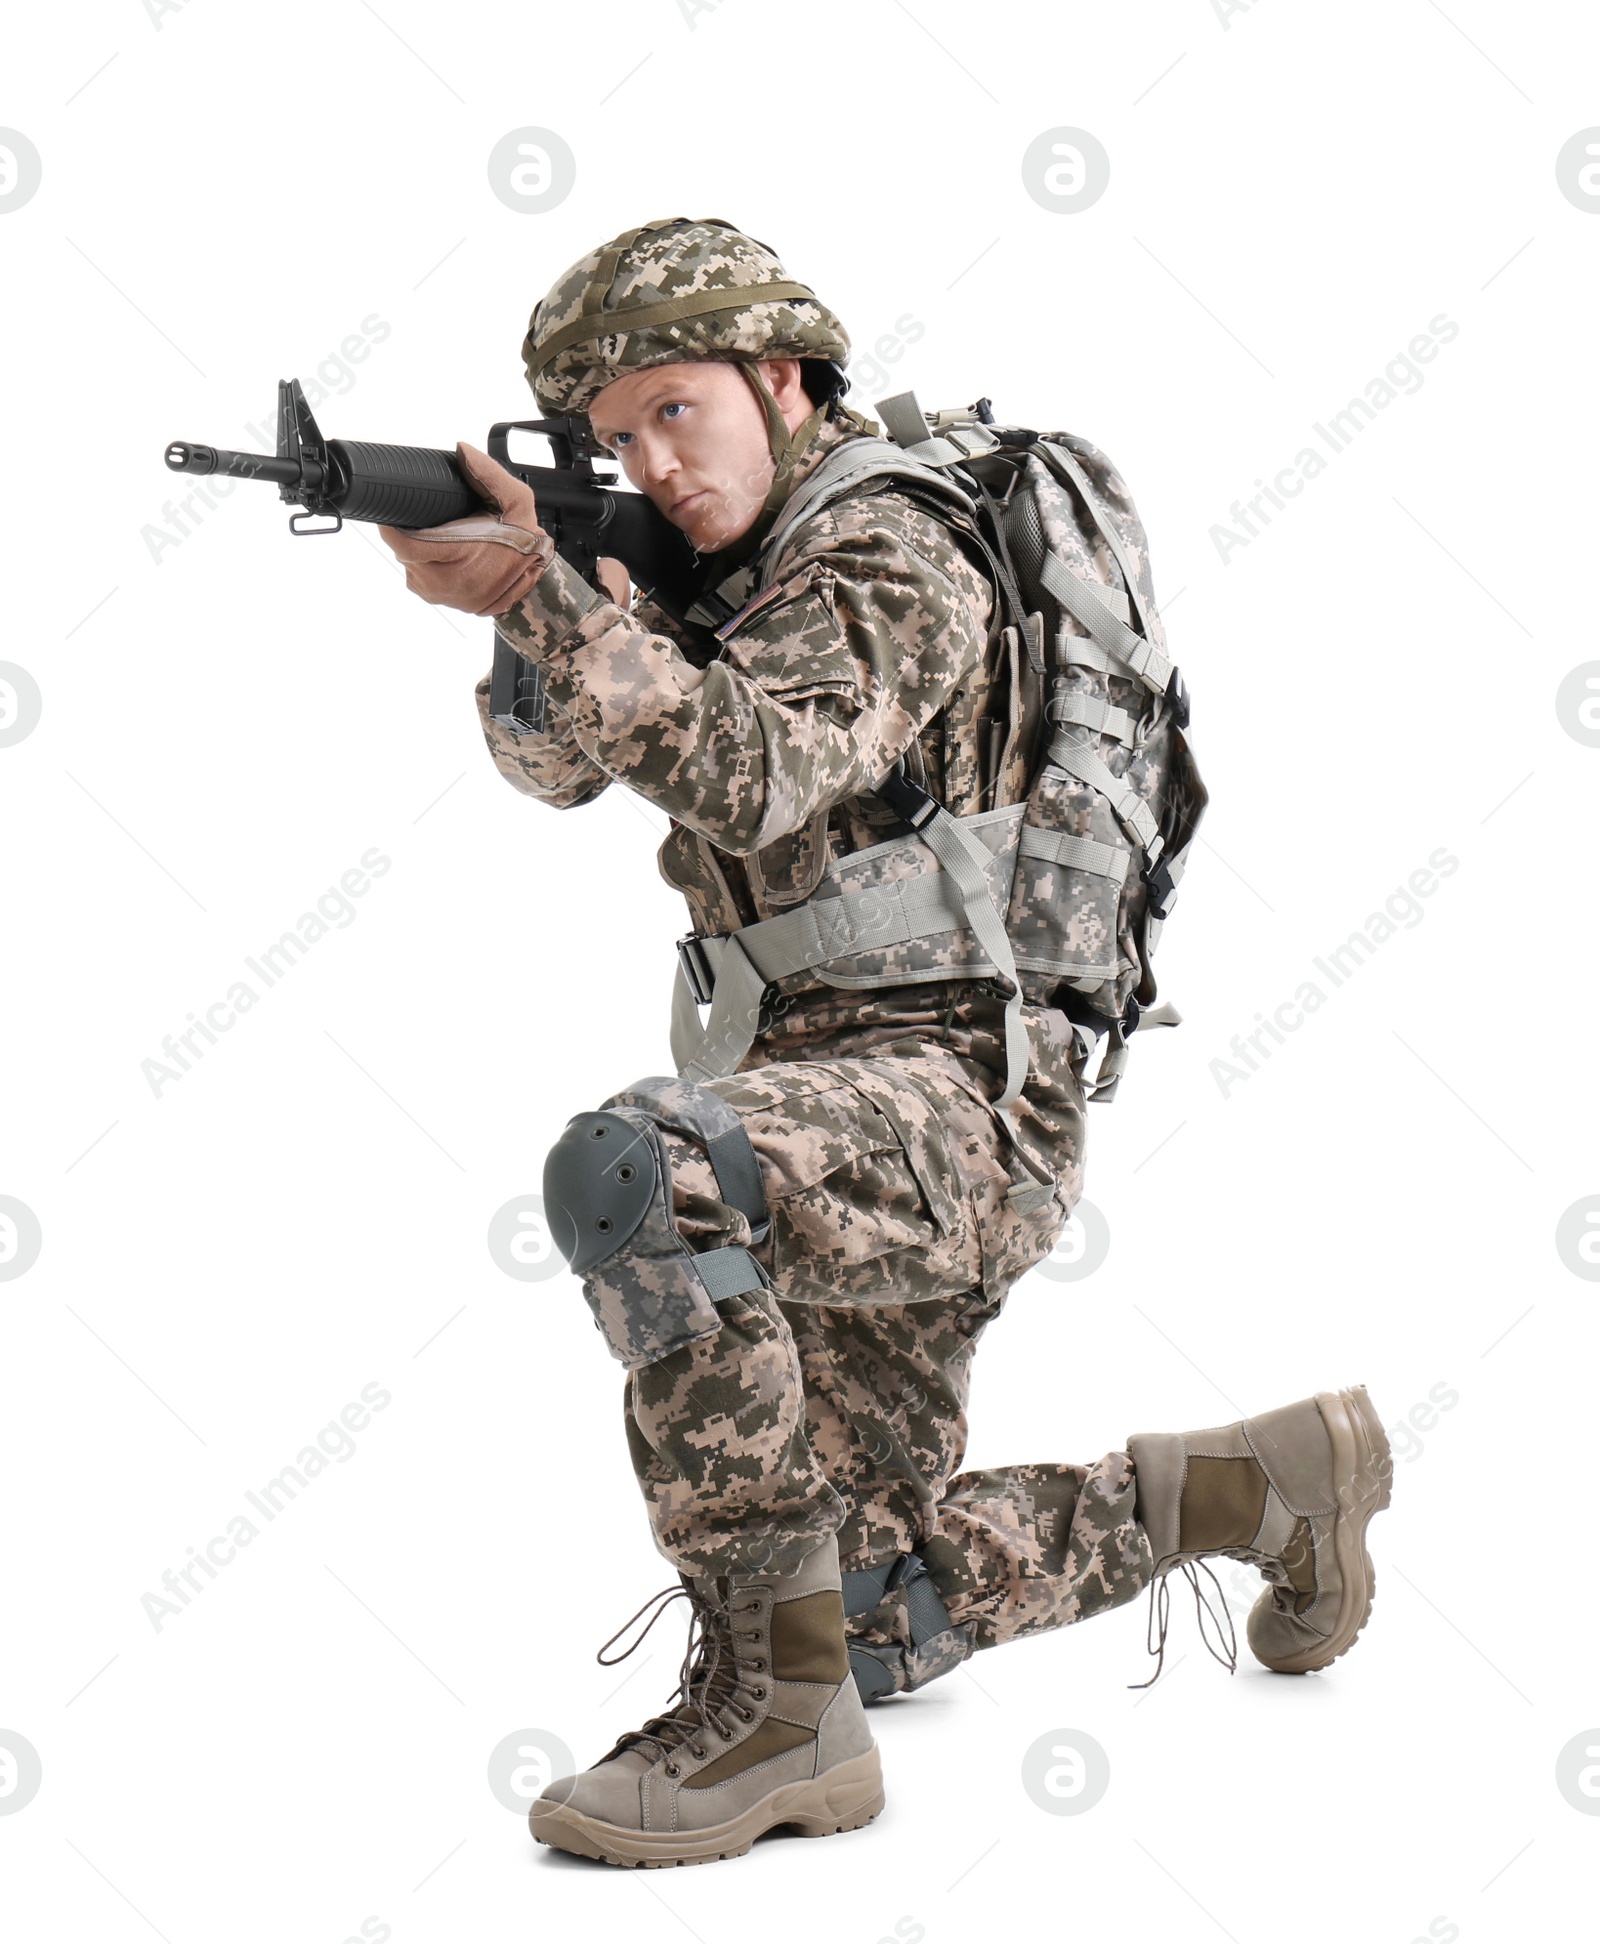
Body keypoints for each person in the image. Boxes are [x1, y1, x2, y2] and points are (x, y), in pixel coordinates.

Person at [378, 217, 1391, 1870]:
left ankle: (780, 1734)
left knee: (642, 1172)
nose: (653, 457)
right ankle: (1264, 1488)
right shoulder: (725, 566)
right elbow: (552, 771)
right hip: (818, 1093)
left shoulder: (888, 549)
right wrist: (534, 597)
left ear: (783, 374)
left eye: (675, 411)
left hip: (959, 1103)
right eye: (612, 440)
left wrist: (562, 600)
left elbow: (755, 771)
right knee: (870, 1601)